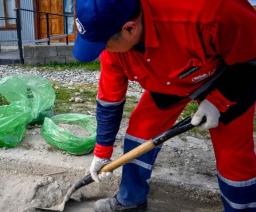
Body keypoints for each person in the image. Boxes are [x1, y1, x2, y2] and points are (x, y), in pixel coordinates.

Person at [72, 0, 256, 211]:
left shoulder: (212, 10)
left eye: (103, 44)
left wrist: (218, 100)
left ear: (129, 28)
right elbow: (109, 100)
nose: (101, 51)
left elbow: (252, 58)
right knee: (140, 130)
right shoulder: (112, 43)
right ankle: (131, 201)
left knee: (234, 157)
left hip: (229, 77)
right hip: (172, 77)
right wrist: (102, 152)